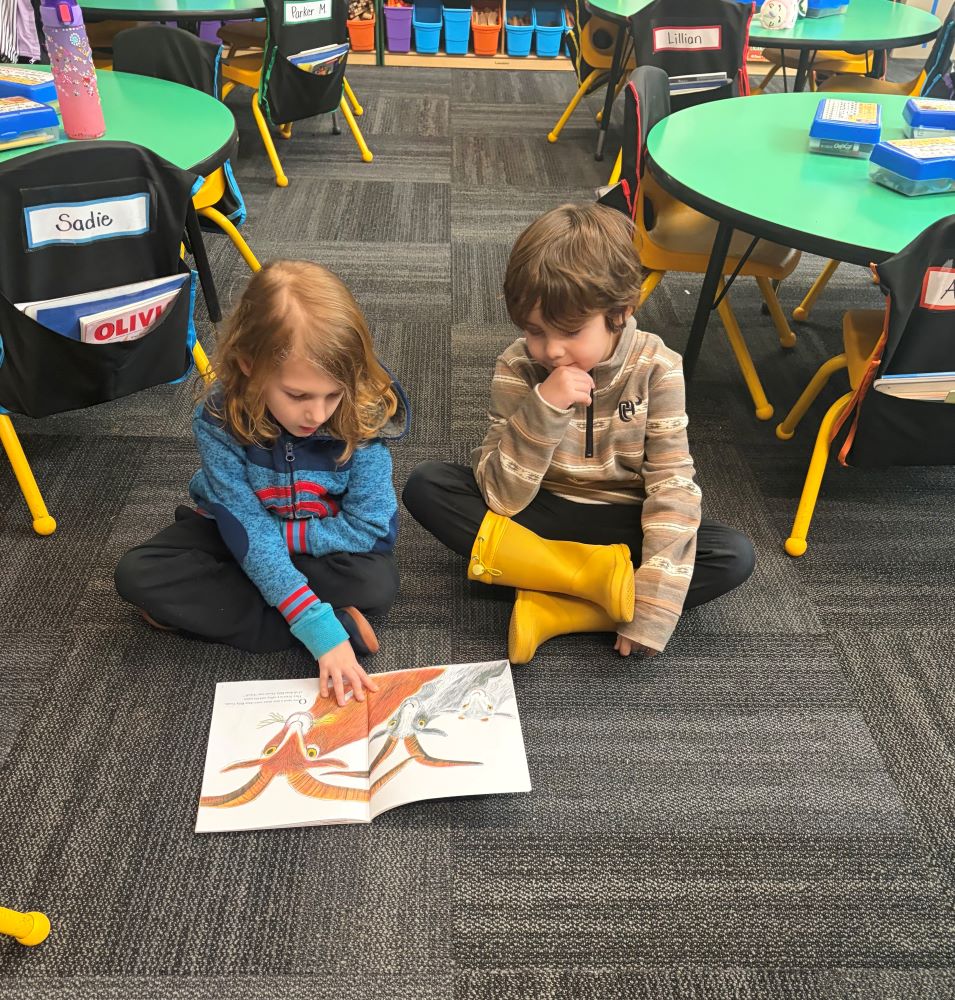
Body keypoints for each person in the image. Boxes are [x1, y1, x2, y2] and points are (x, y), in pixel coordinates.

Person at [402, 203, 754, 663]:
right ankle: (596, 585)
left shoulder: (659, 369)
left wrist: (652, 610)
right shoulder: (518, 364)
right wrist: (543, 408)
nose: (550, 350)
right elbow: (500, 496)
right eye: (534, 331)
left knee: (730, 555)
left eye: (570, 331)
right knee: (428, 486)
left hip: (618, 522)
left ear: (620, 312)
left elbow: (672, 485)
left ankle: (555, 607)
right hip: (537, 510)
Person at [115, 260, 408, 705]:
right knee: (138, 573)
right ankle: (332, 624)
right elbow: (242, 522)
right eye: (298, 395)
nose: (318, 414)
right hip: (233, 524)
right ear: (249, 365)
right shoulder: (219, 419)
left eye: (333, 394)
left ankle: (257, 600)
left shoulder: (363, 418)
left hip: (315, 538)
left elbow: (371, 529)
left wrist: (275, 541)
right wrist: (317, 627)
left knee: (375, 583)